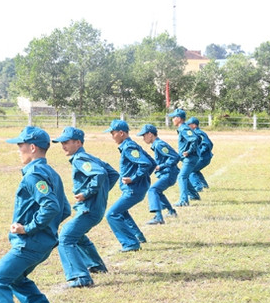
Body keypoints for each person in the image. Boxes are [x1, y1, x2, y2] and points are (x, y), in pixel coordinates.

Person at [0, 126, 71, 303]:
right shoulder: (52, 172)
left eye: (20, 146)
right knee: (17, 278)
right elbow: (65, 209)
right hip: (43, 242)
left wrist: (28, 228)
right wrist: (47, 229)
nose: (18, 150)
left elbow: (50, 206)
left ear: (32, 147)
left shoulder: (34, 175)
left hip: (29, 243)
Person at [53, 127, 119, 287]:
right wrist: (100, 194)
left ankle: (80, 277)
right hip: (93, 208)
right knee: (78, 235)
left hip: (88, 209)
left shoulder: (80, 159)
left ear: (78, 142)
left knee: (65, 238)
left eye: (66, 142)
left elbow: (100, 174)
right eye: (61, 143)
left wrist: (88, 193)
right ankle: (96, 265)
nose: (63, 146)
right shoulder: (89, 157)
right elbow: (113, 174)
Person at [105, 120, 156, 252]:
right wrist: (142, 179)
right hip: (134, 188)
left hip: (133, 190)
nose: (112, 137)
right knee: (121, 211)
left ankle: (130, 243)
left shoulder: (128, 147)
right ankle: (138, 236)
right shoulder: (130, 145)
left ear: (121, 133)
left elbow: (146, 164)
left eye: (113, 133)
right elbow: (152, 162)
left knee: (112, 214)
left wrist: (134, 179)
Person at [138, 123, 181, 225]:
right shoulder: (156, 145)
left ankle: (158, 217)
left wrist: (161, 166)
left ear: (150, 134)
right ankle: (171, 211)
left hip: (169, 173)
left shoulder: (159, 144)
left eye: (144, 135)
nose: (143, 138)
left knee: (153, 190)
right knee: (158, 191)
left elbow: (175, 157)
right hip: (167, 173)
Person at [169, 109, 200, 206]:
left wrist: (189, 151)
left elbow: (195, 139)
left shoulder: (183, 128)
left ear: (179, 118)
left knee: (181, 177)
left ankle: (184, 201)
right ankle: (194, 195)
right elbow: (197, 138)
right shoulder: (183, 128)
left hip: (190, 158)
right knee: (184, 176)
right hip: (190, 158)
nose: (173, 119)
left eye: (174, 117)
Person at [187, 117, 213, 193]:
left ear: (194, 125)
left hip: (203, 157)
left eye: (189, 125)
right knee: (196, 170)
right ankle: (204, 185)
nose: (188, 126)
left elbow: (207, 144)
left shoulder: (198, 133)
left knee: (191, 170)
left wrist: (200, 153)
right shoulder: (197, 132)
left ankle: (197, 187)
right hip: (204, 157)